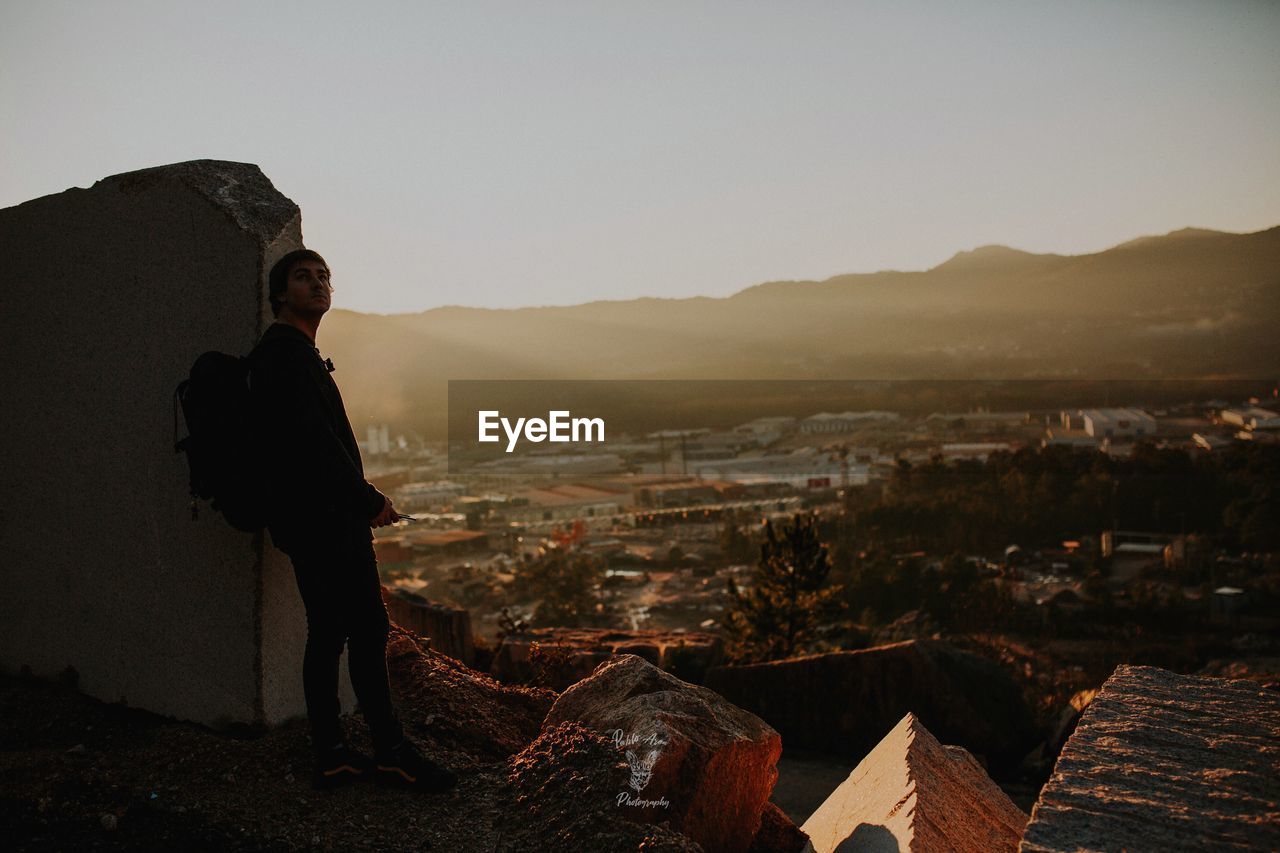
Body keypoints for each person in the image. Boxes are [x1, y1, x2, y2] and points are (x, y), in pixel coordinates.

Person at [249, 248, 455, 792]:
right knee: (365, 630)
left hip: (311, 519)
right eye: (302, 277)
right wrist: (368, 502)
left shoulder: (291, 354)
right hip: (326, 521)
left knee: (331, 632)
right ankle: (389, 751)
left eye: (323, 277)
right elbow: (316, 447)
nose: (317, 284)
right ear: (279, 294)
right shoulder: (287, 357)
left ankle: (336, 753)